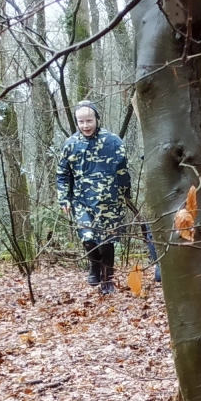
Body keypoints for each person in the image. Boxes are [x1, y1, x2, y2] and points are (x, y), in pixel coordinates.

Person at [56, 101, 130, 295]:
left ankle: (108, 279)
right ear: (76, 122)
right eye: (81, 121)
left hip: (110, 201)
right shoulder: (70, 145)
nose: (86, 125)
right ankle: (94, 265)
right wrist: (64, 198)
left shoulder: (113, 142)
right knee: (88, 238)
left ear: (97, 119)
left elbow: (123, 171)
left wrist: (125, 194)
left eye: (89, 120)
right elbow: (63, 174)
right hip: (82, 202)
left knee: (107, 241)